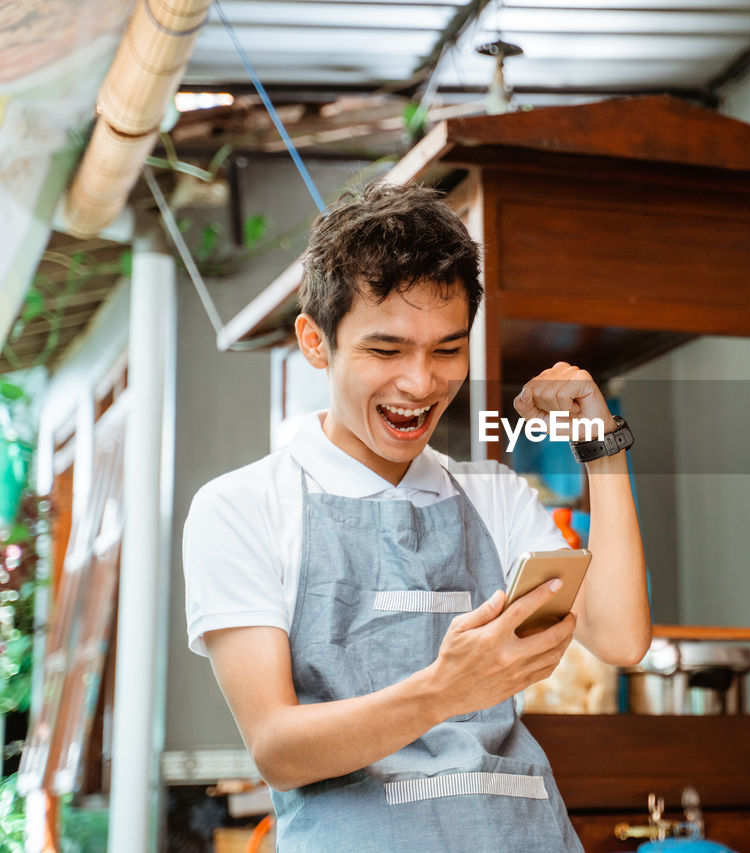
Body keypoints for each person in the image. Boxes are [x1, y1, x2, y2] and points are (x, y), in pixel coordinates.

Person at [182, 182, 651, 851]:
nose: (421, 382)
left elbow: (622, 637)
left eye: (447, 348)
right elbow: (278, 749)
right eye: (386, 350)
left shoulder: (493, 495)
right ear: (316, 342)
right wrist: (444, 688)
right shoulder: (243, 508)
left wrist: (601, 449)